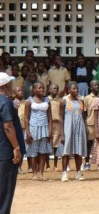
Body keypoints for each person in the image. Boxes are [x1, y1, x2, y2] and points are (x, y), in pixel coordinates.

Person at [0, 72, 25, 214]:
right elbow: (8, 126)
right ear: (6, 85)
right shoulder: (5, 102)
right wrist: (16, 147)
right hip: (6, 151)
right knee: (5, 189)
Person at [59, 82, 87, 182]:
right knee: (66, 152)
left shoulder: (81, 101)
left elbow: (83, 116)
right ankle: (64, 173)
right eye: (74, 89)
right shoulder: (64, 101)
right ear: (68, 90)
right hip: (68, 128)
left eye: (77, 89)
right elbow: (61, 118)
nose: (76, 90)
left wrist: (84, 129)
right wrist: (62, 133)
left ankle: (79, 173)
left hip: (79, 128)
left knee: (78, 151)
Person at [25, 82, 52, 181]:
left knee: (43, 151)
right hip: (33, 128)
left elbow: (50, 117)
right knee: (33, 151)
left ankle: (41, 173)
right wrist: (27, 132)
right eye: (39, 88)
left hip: (44, 128)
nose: (42, 89)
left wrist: (50, 130)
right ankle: (35, 173)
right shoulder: (29, 101)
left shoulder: (47, 100)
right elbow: (26, 117)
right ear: (34, 90)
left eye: (43, 88)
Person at [83, 80, 99, 170]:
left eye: (98, 85)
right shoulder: (87, 98)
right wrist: (85, 125)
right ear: (90, 87)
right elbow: (85, 113)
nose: (97, 86)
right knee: (89, 144)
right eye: (94, 85)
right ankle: (87, 162)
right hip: (90, 124)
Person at [12, 86, 28, 173]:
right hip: (15, 129)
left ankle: (19, 167)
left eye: (22, 90)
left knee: (22, 148)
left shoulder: (26, 102)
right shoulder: (11, 103)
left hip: (24, 127)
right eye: (19, 91)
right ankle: (14, 167)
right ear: (14, 93)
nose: (21, 92)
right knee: (15, 147)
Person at [48, 84, 62, 171]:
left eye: (57, 88)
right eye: (54, 88)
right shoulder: (46, 100)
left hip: (57, 123)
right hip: (48, 123)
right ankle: (47, 165)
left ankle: (55, 165)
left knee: (56, 145)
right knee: (47, 143)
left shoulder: (60, 100)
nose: (56, 90)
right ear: (49, 90)